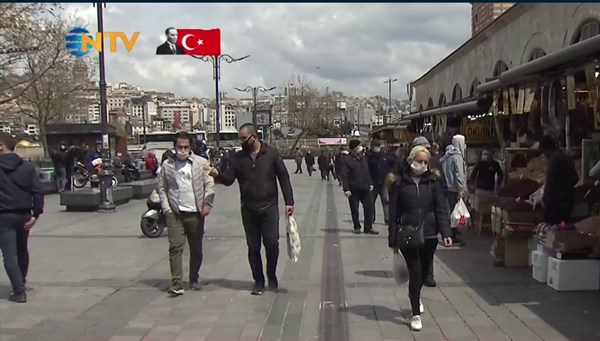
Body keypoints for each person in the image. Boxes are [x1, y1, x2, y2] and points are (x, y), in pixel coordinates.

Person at [206, 123, 294, 295]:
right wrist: (217, 175)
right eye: (241, 139)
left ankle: (271, 274)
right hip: (248, 208)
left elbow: (283, 177)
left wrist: (289, 201)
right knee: (253, 247)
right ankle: (258, 281)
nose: (242, 142)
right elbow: (229, 179)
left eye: (245, 138)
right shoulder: (238, 158)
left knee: (272, 244)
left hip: (269, 207)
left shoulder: (271, 153)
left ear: (254, 136)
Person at [388, 145, 452, 331]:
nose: (422, 165)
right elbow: (392, 214)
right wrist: (392, 239)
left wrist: (446, 233)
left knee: (424, 272)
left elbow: (441, 209)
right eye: (419, 161)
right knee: (415, 271)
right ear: (411, 160)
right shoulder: (399, 184)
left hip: (430, 233)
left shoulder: (433, 182)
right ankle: (415, 312)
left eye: (425, 162)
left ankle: (416, 295)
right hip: (408, 232)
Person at [157, 131, 215, 297]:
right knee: (175, 247)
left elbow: (209, 184)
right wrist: (167, 209)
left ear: (191, 147)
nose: (182, 150)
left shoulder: (201, 162)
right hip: (176, 213)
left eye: (185, 147)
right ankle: (177, 283)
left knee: (196, 249)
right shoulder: (167, 165)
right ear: (174, 147)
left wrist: (207, 203)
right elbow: (162, 188)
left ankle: (194, 277)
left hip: (196, 213)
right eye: (179, 147)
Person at [0, 132, 44, 303]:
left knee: (9, 254)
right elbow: (37, 191)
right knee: (22, 250)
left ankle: (19, 291)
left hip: (3, 215)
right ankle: (21, 282)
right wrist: (36, 214)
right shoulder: (26, 167)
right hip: (24, 214)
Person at [340, 139, 378, 235]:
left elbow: (367, 172)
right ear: (355, 147)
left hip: (365, 187)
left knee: (369, 207)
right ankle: (357, 226)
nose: (361, 148)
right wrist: (346, 189)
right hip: (353, 189)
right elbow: (344, 175)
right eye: (359, 146)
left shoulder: (363, 158)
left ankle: (368, 227)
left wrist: (370, 183)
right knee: (354, 209)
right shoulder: (346, 159)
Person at [538, 135, 578, 224]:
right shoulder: (567, 157)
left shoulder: (553, 160)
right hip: (569, 202)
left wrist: (544, 200)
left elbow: (550, 183)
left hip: (555, 204)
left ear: (546, 150)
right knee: (563, 227)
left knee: (552, 231)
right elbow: (576, 179)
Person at [440, 134, 467, 246]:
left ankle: (448, 234)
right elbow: (459, 174)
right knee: (454, 213)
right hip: (454, 188)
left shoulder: (447, 155)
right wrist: (461, 189)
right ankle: (452, 237)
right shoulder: (457, 157)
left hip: (446, 186)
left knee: (449, 211)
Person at [366, 139, 391, 225]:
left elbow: (388, 166)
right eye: (376, 146)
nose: (377, 148)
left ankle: (387, 218)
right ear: (372, 146)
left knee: (386, 200)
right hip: (372, 182)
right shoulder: (368, 156)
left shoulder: (384, 155)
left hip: (384, 181)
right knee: (371, 201)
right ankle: (371, 218)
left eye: (378, 146)